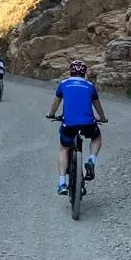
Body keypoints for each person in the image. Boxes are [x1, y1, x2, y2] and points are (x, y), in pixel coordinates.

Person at [46, 58, 107, 195]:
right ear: (84, 73)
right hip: (88, 124)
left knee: (63, 148)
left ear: (71, 72)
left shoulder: (63, 84)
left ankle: (62, 183)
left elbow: (55, 104)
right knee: (96, 137)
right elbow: (98, 106)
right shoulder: (90, 86)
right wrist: (103, 118)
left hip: (69, 124)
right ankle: (91, 160)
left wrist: (51, 114)